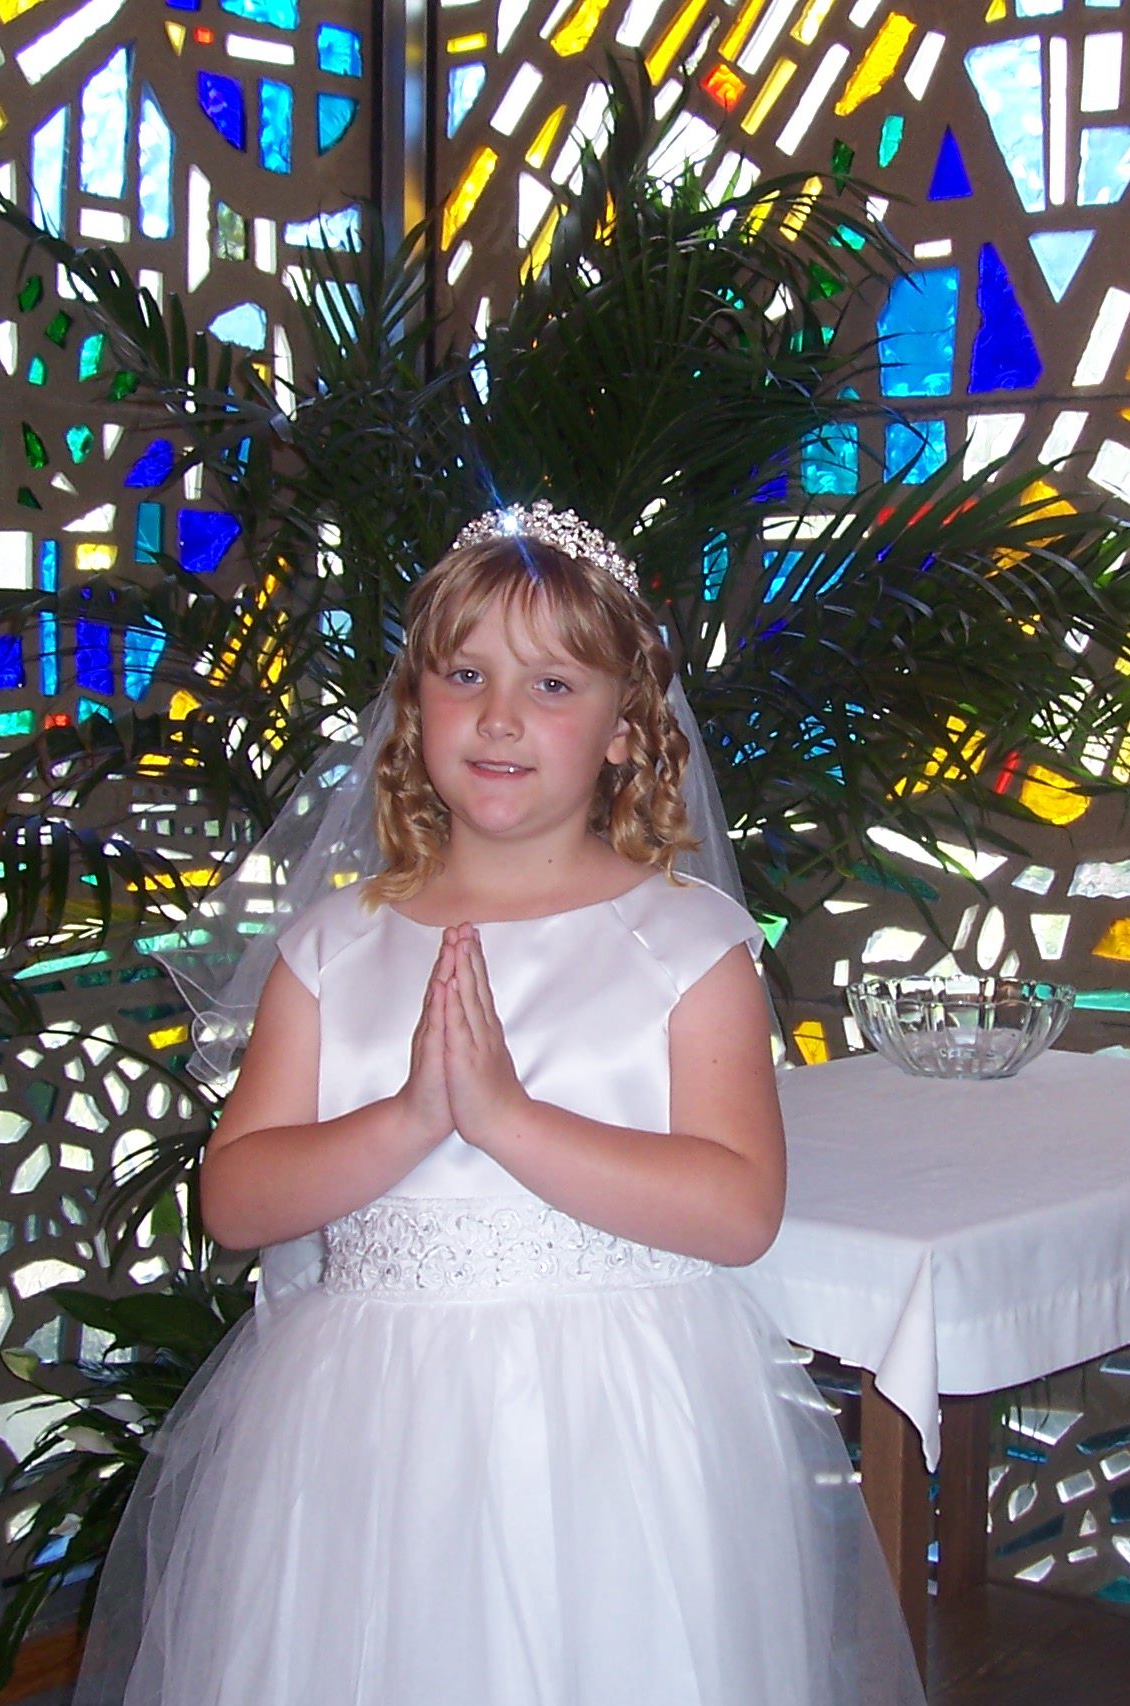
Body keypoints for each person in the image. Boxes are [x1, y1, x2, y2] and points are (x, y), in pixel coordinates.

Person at [71, 504, 925, 1706]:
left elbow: (738, 1209)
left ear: (625, 729)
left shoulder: (687, 941)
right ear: (414, 707)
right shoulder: (336, 943)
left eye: (552, 683)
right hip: (365, 1421)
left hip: (614, 1421)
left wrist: (505, 1115)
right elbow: (237, 1198)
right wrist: (412, 1116)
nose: (500, 715)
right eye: (464, 674)